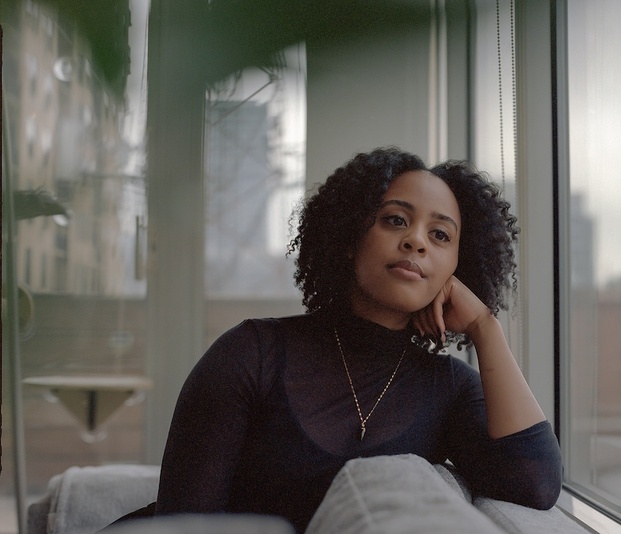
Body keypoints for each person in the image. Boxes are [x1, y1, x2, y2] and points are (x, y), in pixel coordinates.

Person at [117, 147, 562, 532]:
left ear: (456, 268)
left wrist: (486, 328)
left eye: (439, 234)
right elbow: (183, 524)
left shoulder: (448, 389)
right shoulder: (251, 353)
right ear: (349, 237)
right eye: (395, 220)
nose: (415, 241)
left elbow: (536, 485)